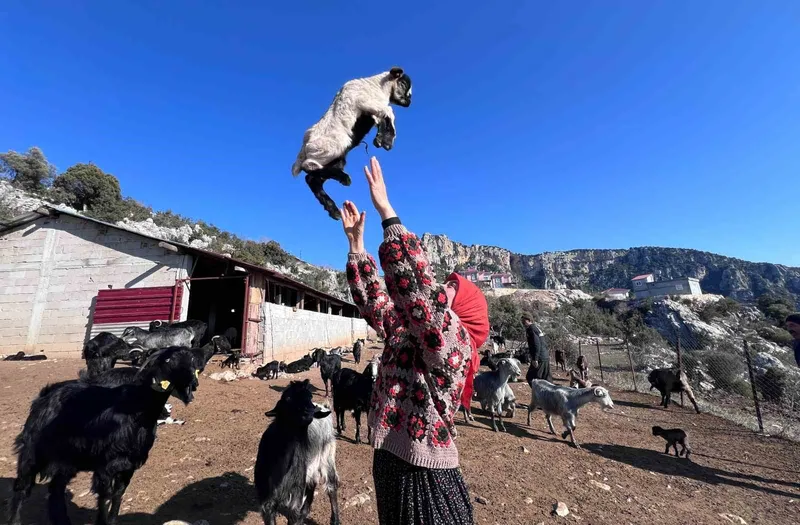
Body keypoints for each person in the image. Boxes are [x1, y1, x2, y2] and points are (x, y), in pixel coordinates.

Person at [341, 156, 489, 525]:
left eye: (451, 289)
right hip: (390, 458)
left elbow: (419, 294)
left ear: (464, 310)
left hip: (424, 471)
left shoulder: (453, 342)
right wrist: (357, 246)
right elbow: (376, 304)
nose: (443, 289)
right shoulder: (408, 334)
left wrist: (386, 212)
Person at [522, 314, 550, 384]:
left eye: (524, 321)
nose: (523, 323)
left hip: (540, 358)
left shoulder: (531, 329)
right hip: (544, 356)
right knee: (547, 379)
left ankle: (539, 391)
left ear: (529, 320)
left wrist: (535, 359)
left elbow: (536, 344)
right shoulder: (536, 328)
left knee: (531, 378)